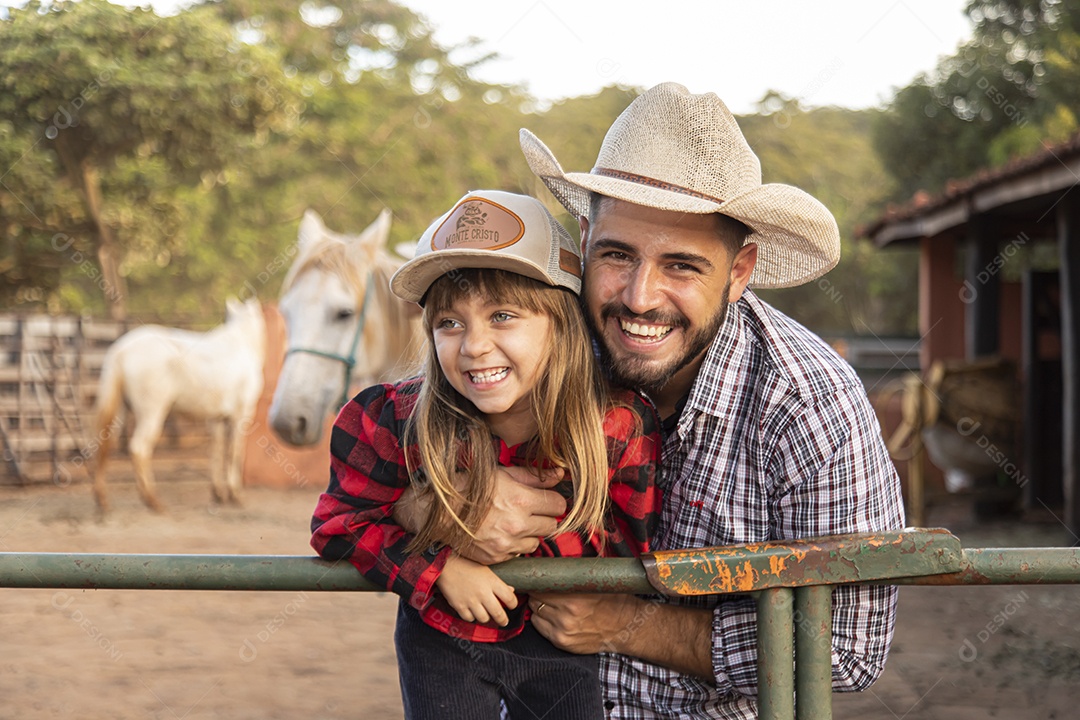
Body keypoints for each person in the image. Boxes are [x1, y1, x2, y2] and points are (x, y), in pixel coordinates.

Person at [435, 83, 906, 718]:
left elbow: (849, 650)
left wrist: (626, 625)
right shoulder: (533, 339)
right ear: (585, 238)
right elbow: (393, 436)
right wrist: (439, 506)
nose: (639, 297)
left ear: (739, 271)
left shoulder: (810, 406)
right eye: (617, 254)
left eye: (681, 265)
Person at [309, 190, 662, 719]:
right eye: (449, 323)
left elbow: (636, 548)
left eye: (502, 315)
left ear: (562, 322)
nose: (473, 345)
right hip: (440, 639)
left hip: (563, 644)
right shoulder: (395, 421)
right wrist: (440, 567)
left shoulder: (616, 426)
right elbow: (338, 525)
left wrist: (553, 564)